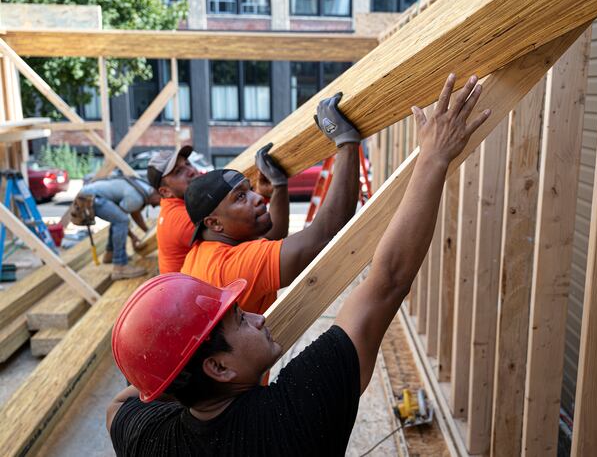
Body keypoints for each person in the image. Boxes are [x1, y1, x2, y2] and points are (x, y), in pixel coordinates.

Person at [107, 73, 490, 455]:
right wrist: (433, 156)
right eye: (240, 319)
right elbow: (385, 280)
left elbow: (115, 409)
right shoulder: (293, 415)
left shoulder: (150, 440)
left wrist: (169, 379)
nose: (260, 317)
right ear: (218, 369)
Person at [179, 93, 360, 314]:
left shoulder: (201, 253)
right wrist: (345, 142)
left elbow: (273, 234)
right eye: (240, 197)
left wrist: (279, 186)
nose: (257, 197)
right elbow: (323, 236)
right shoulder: (231, 266)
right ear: (214, 223)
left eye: (250, 190)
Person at [148, 145, 290, 274]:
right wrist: (279, 185)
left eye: (187, 163)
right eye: (178, 172)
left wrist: (260, 195)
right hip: (185, 295)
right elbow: (269, 236)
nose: (191, 171)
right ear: (165, 192)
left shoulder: (175, 207)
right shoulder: (181, 219)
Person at [78, 175, 161, 279]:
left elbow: (134, 213)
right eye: (159, 201)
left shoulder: (145, 188)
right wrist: (133, 236)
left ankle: (110, 254)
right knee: (121, 220)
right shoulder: (137, 197)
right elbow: (123, 220)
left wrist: (147, 232)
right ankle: (120, 266)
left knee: (117, 219)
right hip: (90, 197)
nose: (157, 206)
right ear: (158, 193)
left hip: (89, 193)